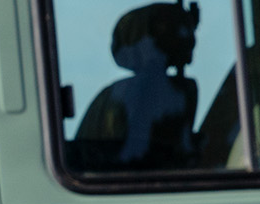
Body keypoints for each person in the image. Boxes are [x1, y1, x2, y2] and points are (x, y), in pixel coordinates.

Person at [72, 3, 203, 174]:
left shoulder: (115, 92)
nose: (187, 39)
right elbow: (137, 156)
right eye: (173, 30)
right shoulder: (146, 91)